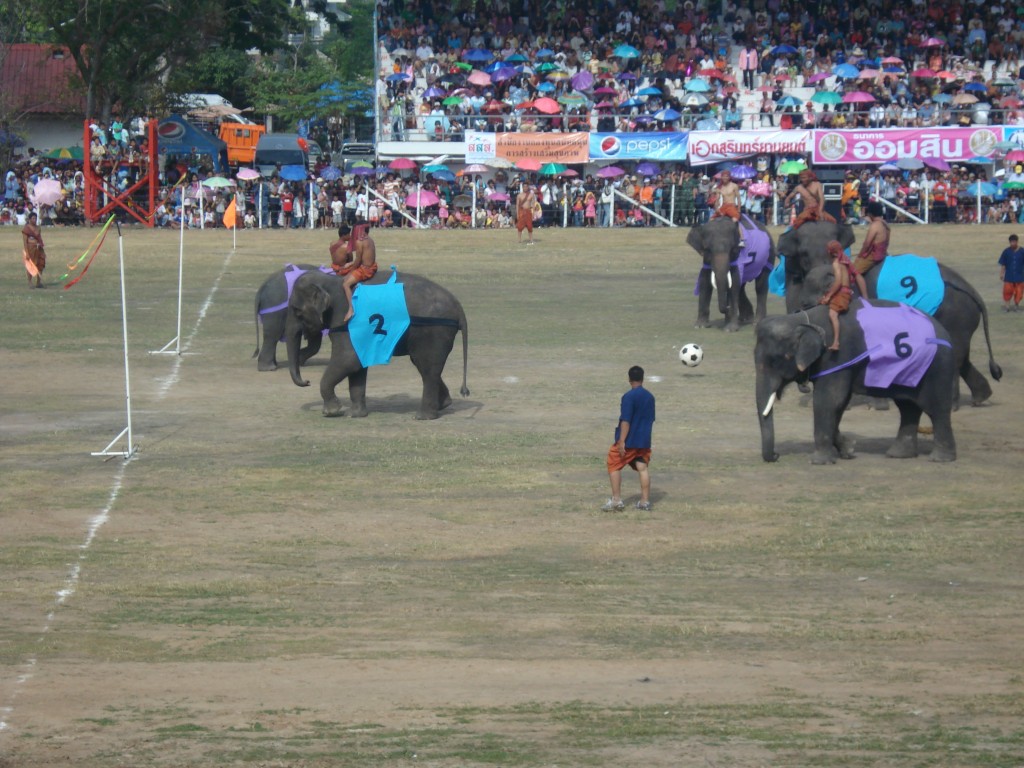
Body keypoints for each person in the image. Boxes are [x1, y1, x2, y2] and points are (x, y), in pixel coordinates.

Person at [602, 365, 656, 512]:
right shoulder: (650, 397)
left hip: (630, 440)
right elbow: (651, 419)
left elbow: (626, 421)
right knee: (642, 467)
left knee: (613, 463)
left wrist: (622, 441)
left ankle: (616, 501)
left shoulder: (629, 397)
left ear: (629, 379)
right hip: (644, 440)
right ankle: (644, 502)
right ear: (642, 378)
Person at [330, 223, 377, 322]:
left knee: (346, 284)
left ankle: (351, 309)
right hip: (370, 266)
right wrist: (350, 265)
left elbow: (358, 260)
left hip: (365, 269)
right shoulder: (370, 239)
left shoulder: (360, 242)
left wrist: (350, 270)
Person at [819, 240, 855, 351]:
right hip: (845, 291)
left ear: (831, 252)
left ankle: (836, 342)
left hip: (843, 293)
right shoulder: (844, 260)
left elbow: (838, 281)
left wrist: (829, 296)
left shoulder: (836, 263)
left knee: (832, 314)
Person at [851, 201, 890, 280]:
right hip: (884, 252)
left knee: (853, 271)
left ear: (870, 214)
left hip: (874, 255)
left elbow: (867, 244)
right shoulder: (885, 224)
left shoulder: (875, 225)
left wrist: (860, 255)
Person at [710, 169, 745, 246]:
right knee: (711, 219)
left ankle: (741, 239)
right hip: (724, 206)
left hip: (731, 206)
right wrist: (717, 209)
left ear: (729, 177)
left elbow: (738, 198)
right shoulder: (719, 187)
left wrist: (738, 208)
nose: (725, 178)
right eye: (723, 176)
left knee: (735, 220)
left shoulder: (734, 186)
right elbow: (717, 200)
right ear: (721, 177)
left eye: (726, 176)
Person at [998, 233, 1024, 311]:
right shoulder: (1006, 251)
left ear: (1017, 242)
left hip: (1020, 276)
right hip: (1009, 276)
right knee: (1007, 292)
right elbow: (1003, 264)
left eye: (1014, 242)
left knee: (1019, 293)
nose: (1013, 243)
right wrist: (1001, 274)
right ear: (1010, 242)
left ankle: (1016, 306)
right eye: (1011, 242)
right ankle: (1007, 307)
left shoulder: (1022, 251)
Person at [22, 211, 45, 288]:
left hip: (39, 249)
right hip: (31, 248)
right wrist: (27, 253)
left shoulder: (38, 228)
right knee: (31, 265)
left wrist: (41, 245)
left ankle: (38, 283)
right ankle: (30, 282)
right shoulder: (26, 229)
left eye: (35, 218)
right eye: (33, 218)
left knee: (41, 264)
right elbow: (25, 242)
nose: (34, 220)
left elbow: (40, 238)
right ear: (29, 219)